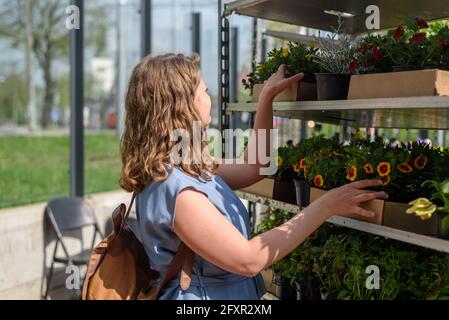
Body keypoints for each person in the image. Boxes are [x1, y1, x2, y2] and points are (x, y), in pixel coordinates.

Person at [119, 53, 388, 300]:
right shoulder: (176, 187)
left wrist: (266, 99)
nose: (209, 97)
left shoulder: (185, 168)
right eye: (205, 91)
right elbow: (249, 259)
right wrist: (325, 206)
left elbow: (254, 165)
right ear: (182, 104)